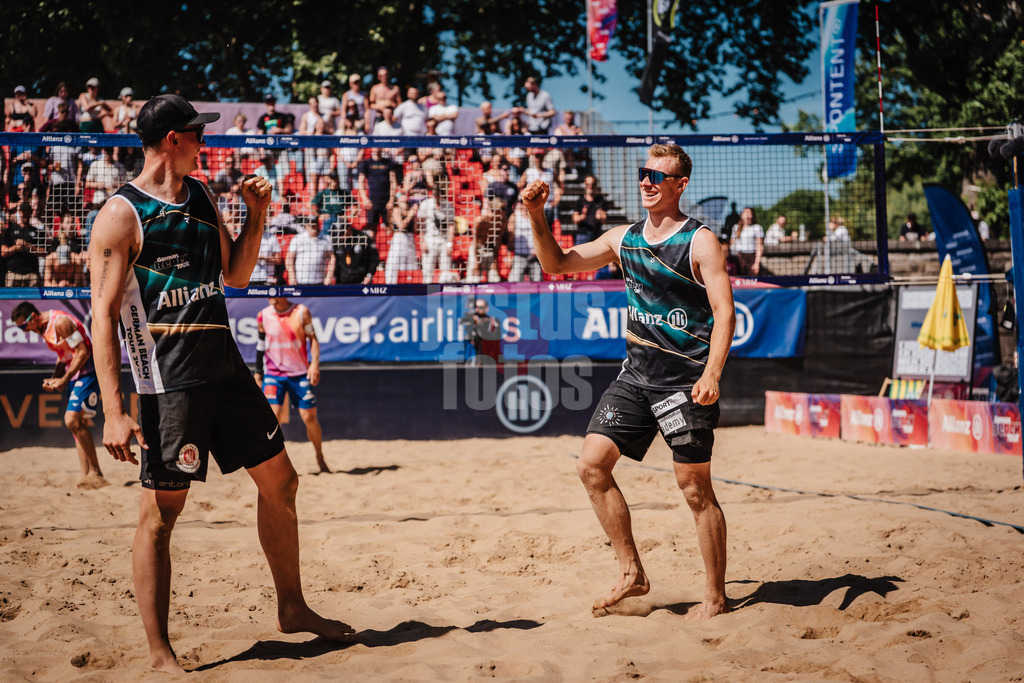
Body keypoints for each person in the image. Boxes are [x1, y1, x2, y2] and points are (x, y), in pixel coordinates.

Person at [88, 93, 353, 672]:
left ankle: (292, 608)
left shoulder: (202, 195)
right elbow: (101, 317)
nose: (205, 140)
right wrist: (113, 409)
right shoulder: (121, 214)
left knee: (281, 482)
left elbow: (234, 275)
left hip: (225, 366)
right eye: (197, 132)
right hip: (169, 382)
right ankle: (160, 653)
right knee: (161, 514)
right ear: (172, 140)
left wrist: (256, 215)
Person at [520, 143, 735, 620]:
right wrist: (537, 214)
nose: (647, 182)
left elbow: (725, 312)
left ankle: (716, 597)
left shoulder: (700, 241)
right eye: (644, 174)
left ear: (680, 185)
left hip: (686, 381)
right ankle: (632, 572)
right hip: (636, 377)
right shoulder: (623, 239)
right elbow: (556, 265)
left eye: (658, 177)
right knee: (592, 466)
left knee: (695, 490)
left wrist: (712, 374)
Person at [10, 303, 104, 481]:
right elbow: (63, 357)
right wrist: (55, 379)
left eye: (23, 326)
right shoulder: (45, 330)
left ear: (34, 317)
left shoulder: (60, 322)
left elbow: (83, 352)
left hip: (87, 372)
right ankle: (86, 476)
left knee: (71, 420)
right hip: (74, 374)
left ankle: (96, 472)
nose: (24, 331)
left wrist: (64, 379)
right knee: (77, 425)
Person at [255, 297, 329, 474]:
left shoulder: (301, 312)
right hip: (274, 374)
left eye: (273, 292)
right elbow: (260, 345)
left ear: (282, 292)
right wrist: (258, 373)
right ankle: (277, 464)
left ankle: (319, 456)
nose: (269, 296)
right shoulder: (263, 315)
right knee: (273, 418)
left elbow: (314, 339)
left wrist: (314, 364)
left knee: (309, 417)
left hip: (299, 373)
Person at [2, 202, 44, 286]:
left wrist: (28, 246)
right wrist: (16, 247)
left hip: (31, 275)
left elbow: (44, 252)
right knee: (10, 298)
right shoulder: (10, 230)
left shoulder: (37, 232)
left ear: (31, 212)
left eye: (27, 211)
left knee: (33, 299)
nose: (25, 214)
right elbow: (3, 252)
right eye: (23, 211)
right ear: (19, 212)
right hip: (13, 274)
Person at [287, 217, 335, 285]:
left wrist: (329, 276)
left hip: (320, 281)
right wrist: (292, 276)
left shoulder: (326, 239)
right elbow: (289, 258)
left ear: (318, 225)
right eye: (310, 225)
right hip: (301, 281)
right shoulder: (298, 238)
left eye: (314, 225)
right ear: (306, 226)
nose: (313, 227)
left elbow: (332, 258)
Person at [572, 175, 607, 244]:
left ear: (596, 185)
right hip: (582, 233)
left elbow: (604, 219)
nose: (590, 187)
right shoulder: (580, 201)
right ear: (585, 185)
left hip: (596, 233)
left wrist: (600, 216)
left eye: (593, 184)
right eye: (588, 184)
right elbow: (575, 219)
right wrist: (582, 216)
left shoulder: (600, 200)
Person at [729, 207, 763, 275]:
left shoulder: (757, 228)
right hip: (738, 257)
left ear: (752, 215)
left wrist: (756, 263)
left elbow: (759, 246)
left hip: (751, 257)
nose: (747, 215)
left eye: (749, 213)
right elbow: (731, 243)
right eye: (745, 213)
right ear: (741, 215)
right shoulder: (736, 228)